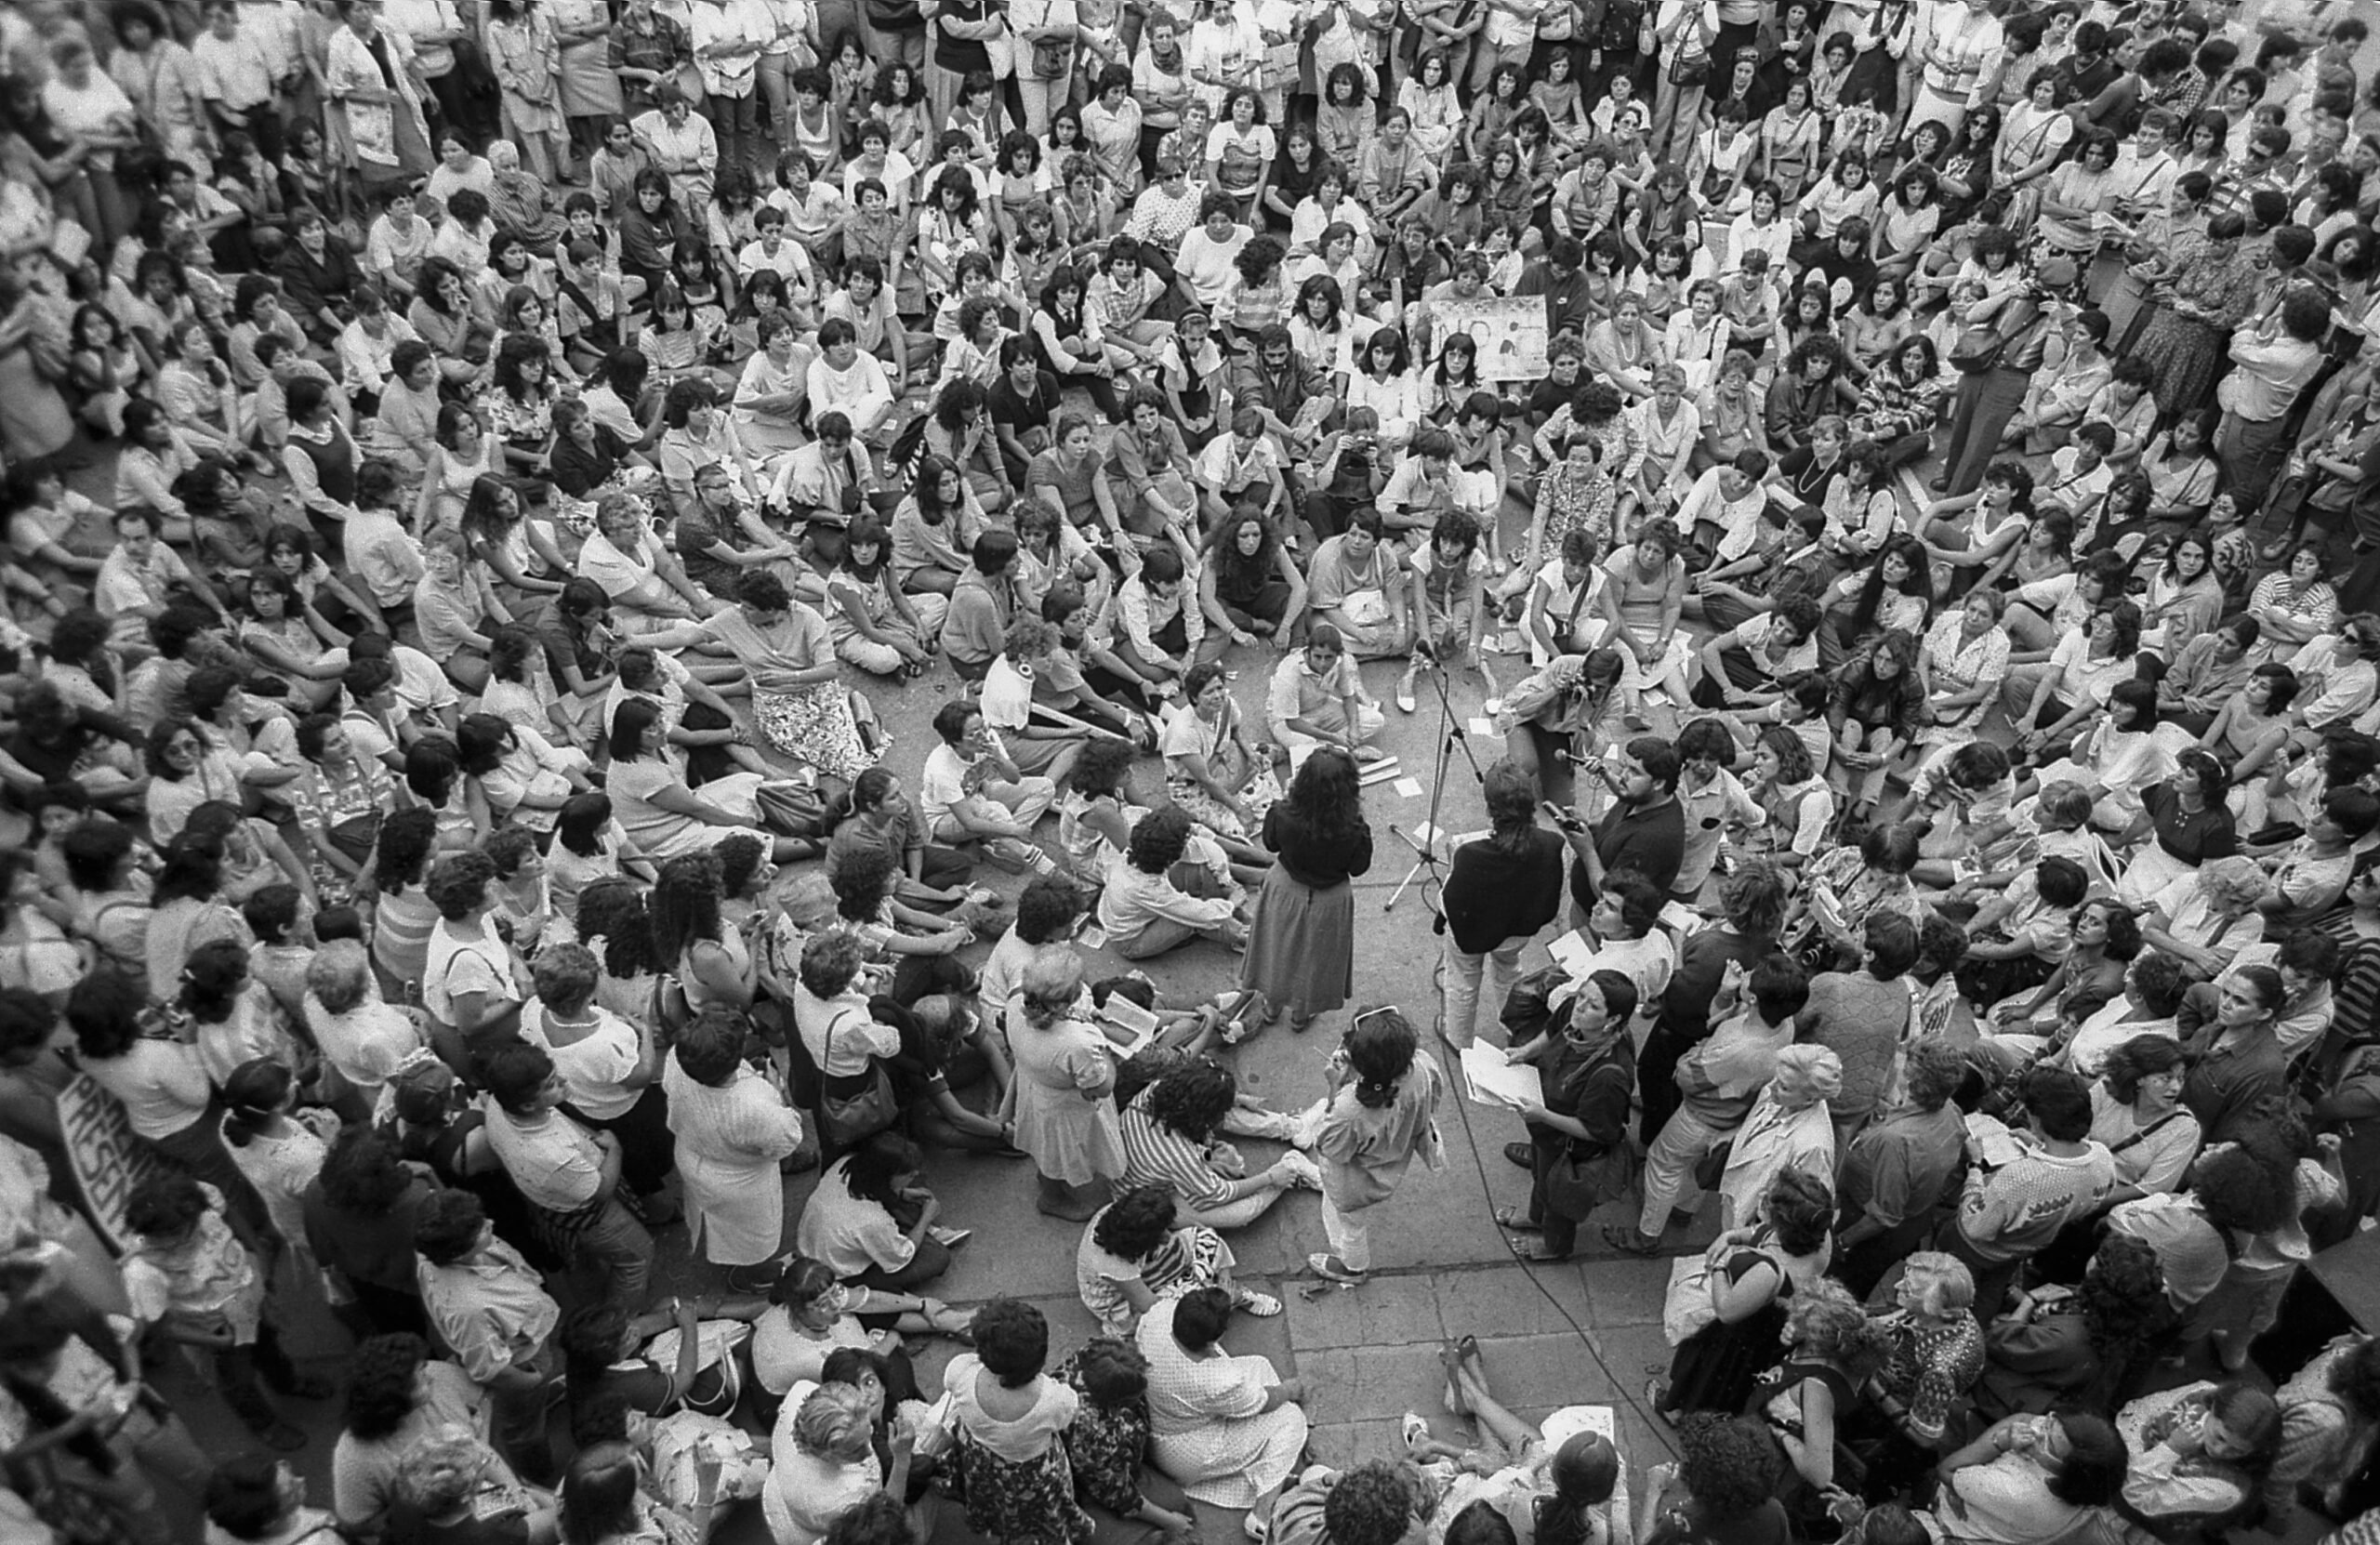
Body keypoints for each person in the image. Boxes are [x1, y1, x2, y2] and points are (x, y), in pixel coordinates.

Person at [1135, 1286, 1309, 1531]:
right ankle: (1261, 1515)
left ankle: (1270, 1461)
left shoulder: (1157, 1315)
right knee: (1291, 1417)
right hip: (1186, 1451)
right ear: (1212, 1340)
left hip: (1155, 1414)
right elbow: (1263, 1402)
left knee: (1259, 1365)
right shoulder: (1218, 1382)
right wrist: (1289, 1391)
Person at [1500, 971, 1637, 1263]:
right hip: (1544, 1131)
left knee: (1559, 1199)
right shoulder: (1574, 1014)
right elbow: (1550, 1033)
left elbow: (1598, 1132)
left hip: (1569, 1146)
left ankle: (1556, 1247)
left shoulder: (1609, 1075)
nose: (1580, 1006)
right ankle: (1536, 1218)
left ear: (1612, 1021)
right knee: (1540, 1176)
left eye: (1593, 1005)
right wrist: (1524, 1052)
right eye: (1582, 995)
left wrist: (1543, 1115)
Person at [1239, 746, 1372, 1033]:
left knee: (1276, 948)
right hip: (1329, 898)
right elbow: (1358, 868)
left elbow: (1271, 844)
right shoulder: (1354, 829)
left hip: (1284, 888)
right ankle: (1302, 1014)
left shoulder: (1281, 813)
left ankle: (1272, 1007)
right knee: (1318, 958)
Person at [1440, 759, 1568, 1049]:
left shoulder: (1468, 852)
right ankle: (1513, 1027)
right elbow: (1553, 898)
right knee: (1510, 973)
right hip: (1517, 935)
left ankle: (1459, 1041)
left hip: (1470, 937)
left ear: (1489, 809)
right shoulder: (1554, 844)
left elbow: (1449, 902)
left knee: (1463, 983)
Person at [1312, 1005, 1446, 1283]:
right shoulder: (1422, 1065)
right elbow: (1433, 1099)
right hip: (1395, 1159)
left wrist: (1335, 1087)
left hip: (1356, 1182)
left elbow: (1331, 1149)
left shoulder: (1350, 1110)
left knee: (1349, 1224)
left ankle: (1352, 1268)